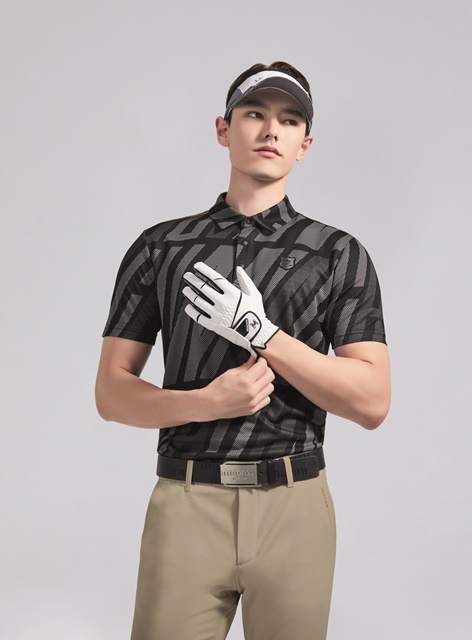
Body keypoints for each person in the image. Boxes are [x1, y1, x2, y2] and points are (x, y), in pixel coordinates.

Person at [95, 60, 391, 640]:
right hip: (187, 502)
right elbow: (111, 393)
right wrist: (205, 403)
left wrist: (261, 334)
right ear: (223, 129)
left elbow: (372, 402)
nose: (271, 129)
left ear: (305, 144)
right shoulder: (161, 247)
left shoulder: (338, 253)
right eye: (255, 113)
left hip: (294, 505)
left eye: (290, 120)